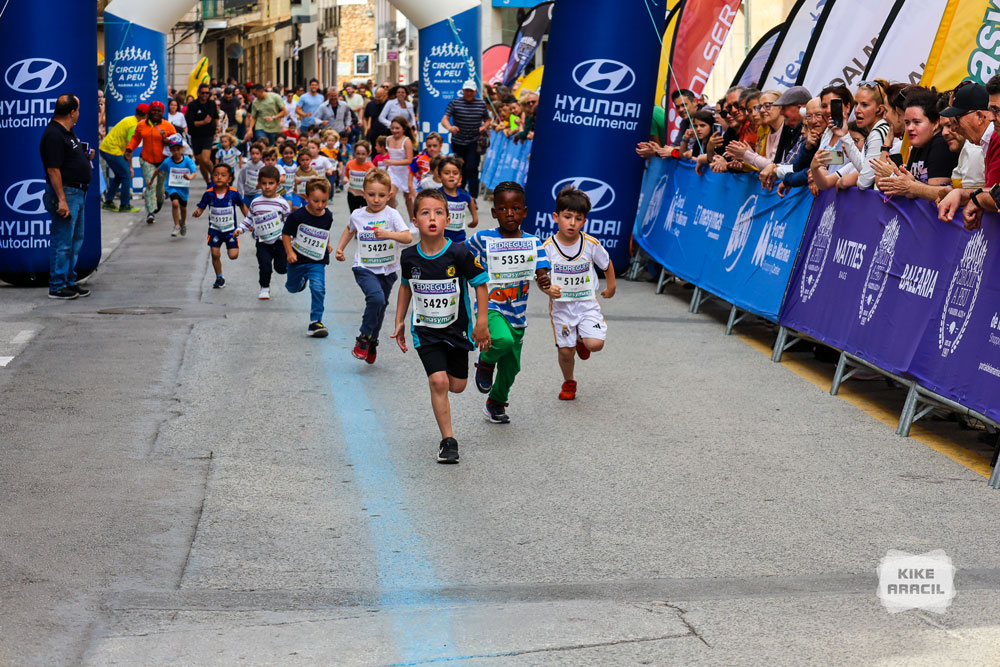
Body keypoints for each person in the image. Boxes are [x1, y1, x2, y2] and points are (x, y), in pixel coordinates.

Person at [392, 189, 491, 463]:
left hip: (456, 330)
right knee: (438, 381)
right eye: (425, 213)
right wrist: (399, 320)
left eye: (438, 213)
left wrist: (482, 322)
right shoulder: (409, 257)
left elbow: (481, 284)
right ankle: (448, 441)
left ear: (447, 220)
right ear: (415, 221)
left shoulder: (459, 253)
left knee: (456, 386)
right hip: (425, 331)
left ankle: (479, 365)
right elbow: (405, 287)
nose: (432, 218)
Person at [466, 181, 553, 424]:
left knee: (512, 367)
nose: (510, 213)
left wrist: (543, 279)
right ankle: (485, 362)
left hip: (517, 312)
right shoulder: (483, 238)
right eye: (503, 209)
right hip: (491, 305)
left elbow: (542, 270)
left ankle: (496, 402)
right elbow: (461, 253)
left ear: (525, 212)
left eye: (515, 208)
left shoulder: (533, 242)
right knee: (501, 340)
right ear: (494, 213)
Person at [542, 187, 616, 401]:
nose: (572, 223)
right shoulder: (547, 248)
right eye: (567, 217)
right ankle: (569, 382)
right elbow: (540, 276)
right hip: (562, 308)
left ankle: (582, 339)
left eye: (578, 218)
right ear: (556, 217)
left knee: (596, 344)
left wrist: (611, 286)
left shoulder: (591, 244)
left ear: (584, 221)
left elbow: (606, 263)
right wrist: (547, 289)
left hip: (586, 304)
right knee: (566, 352)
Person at [334, 169, 413, 362]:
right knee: (376, 299)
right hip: (364, 267)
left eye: (381, 195)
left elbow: (407, 237)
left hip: (387, 270)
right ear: (363, 193)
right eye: (371, 194)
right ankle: (363, 337)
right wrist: (340, 248)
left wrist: (388, 234)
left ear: (389, 195)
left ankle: (372, 341)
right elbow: (349, 229)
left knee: (381, 305)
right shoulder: (358, 214)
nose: (376, 199)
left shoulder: (392, 214)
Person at [40, 94, 94, 300]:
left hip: (77, 192)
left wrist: (85, 158)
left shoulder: (67, 132)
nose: (79, 113)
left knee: (75, 239)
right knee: (63, 240)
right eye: (78, 109)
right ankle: (57, 285)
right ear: (72, 112)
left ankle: (69, 281)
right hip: (67, 193)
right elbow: (53, 169)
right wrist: (61, 199)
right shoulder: (53, 134)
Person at [873, 88, 958, 201]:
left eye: (917, 122)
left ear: (935, 124)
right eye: (907, 123)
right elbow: (882, 184)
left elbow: (938, 195)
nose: (910, 128)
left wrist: (895, 176)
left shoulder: (941, 143)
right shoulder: (918, 144)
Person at [937, 81, 999, 227]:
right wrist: (964, 195)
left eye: (957, 118)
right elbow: (995, 192)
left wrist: (976, 198)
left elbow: (995, 196)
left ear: (979, 116)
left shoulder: (995, 139)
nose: (954, 127)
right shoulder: (987, 141)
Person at [282, 178, 334, 337]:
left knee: (318, 288)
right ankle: (301, 281)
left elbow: (325, 231)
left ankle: (315, 322)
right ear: (306, 198)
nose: (320, 205)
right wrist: (290, 253)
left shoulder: (328, 215)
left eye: (324, 201)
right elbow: (286, 234)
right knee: (292, 288)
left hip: (317, 260)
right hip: (297, 259)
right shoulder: (297, 216)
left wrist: (328, 244)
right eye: (315, 201)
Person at [238, 165, 290, 300]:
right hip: (262, 242)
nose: (267, 187)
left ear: (278, 184)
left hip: (279, 242)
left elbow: (288, 223)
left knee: (281, 269)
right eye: (264, 183)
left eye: (271, 183)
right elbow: (249, 218)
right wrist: (241, 229)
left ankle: (297, 272)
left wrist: (292, 240)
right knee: (264, 265)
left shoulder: (282, 203)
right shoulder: (255, 203)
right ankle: (264, 288)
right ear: (259, 184)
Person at [192, 162, 247, 289]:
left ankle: (229, 252)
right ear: (212, 177)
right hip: (214, 230)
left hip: (230, 231)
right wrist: (198, 212)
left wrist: (249, 221)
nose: (219, 177)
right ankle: (219, 278)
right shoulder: (209, 193)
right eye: (216, 175)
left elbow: (243, 206)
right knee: (215, 254)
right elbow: (201, 206)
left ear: (229, 179)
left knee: (233, 256)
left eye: (223, 175)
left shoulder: (233, 193)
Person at [830, 80, 892, 190]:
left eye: (864, 105)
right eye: (856, 104)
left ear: (880, 109)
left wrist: (853, 179)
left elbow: (863, 182)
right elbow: (863, 168)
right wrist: (844, 135)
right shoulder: (875, 132)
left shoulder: (878, 133)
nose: (857, 110)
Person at [125, 100, 176, 224]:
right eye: (153, 110)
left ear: (162, 112)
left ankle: (159, 201)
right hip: (146, 160)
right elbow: (135, 138)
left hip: (163, 162)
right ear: (149, 111)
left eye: (159, 111)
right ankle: (151, 212)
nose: (156, 113)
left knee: (160, 187)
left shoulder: (168, 126)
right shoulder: (142, 125)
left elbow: (176, 141)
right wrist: (129, 149)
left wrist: (168, 141)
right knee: (150, 184)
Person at [441, 81, 491, 197]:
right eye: (467, 91)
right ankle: (459, 193)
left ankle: (473, 197)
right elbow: (444, 119)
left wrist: (484, 127)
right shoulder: (455, 103)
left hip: (474, 141)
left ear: (475, 92)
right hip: (458, 141)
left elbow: (488, 119)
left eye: (471, 91)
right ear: (463, 91)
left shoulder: (481, 104)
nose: (469, 93)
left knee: (472, 167)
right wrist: (450, 128)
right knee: (460, 168)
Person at [99, 103, 145, 213]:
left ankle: (108, 202)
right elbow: (129, 149)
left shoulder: (130, 119)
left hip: (107, 148)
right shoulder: (134, 126)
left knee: (119, 176)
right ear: (146, 116)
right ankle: (125, 205)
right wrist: (130, 167)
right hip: (111, 150)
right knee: (126, 175)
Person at [159, 134, 198, 237]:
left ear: (182, 149)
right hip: (172, 187)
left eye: (178, 149)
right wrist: (151, 182)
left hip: (183, 188)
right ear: (170, 150)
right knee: (175, 204)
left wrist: (189, 177)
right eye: (173, 150)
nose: (176, 152)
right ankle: (176, 225)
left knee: (183, 208)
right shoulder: (168, 161)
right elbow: (159, 170)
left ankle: (183, 223)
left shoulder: (187, 160)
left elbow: (194, 172)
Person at [438, 156, 478, 244]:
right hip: (440, 236)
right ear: (440, 177)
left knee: (460, 251)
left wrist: (475, 219)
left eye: (455, 173)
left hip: (459, 236)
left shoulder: (464, 194)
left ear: (460, 178)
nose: (451, 175)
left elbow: (470, 201)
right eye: (447, 173)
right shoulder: (437, 195)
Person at [185, 84, 219, 185]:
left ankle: (215, 177)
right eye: (203, 93)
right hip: (196, 136)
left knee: (205, 159)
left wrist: (217, 128)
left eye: (207, 93)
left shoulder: (212, 104)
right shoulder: (192, 105)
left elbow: (216, 117)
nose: (205, 95)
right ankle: (208, 182)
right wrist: (203, 122)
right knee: (201, 162)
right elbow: (190, 123)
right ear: (198, 93)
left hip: (208, 135)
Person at [385, 117, 415, 218]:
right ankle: (394, 218)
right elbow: (388, 156)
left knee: (408, 199)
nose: (394, 130)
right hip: (392, 172)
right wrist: (386, 169)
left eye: (397, 128)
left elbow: (409, 160)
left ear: (404, 129)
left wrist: (392, 162)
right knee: (390, 195)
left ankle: (412, 221)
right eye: (392, 128)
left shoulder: (406, 141)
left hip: (405, 173)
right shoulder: (388, 139)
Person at [343, 139, 375, 213]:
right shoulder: (349, 164)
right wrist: (345, 179)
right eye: (358, 153)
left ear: (368, 153)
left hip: (365, 196)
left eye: (363, 154)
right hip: (352, 194)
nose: (360, 156)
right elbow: (346, 175)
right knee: (354, 214)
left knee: (366, 214)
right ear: (354, 152)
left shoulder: (371, 167)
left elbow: (373, 182)